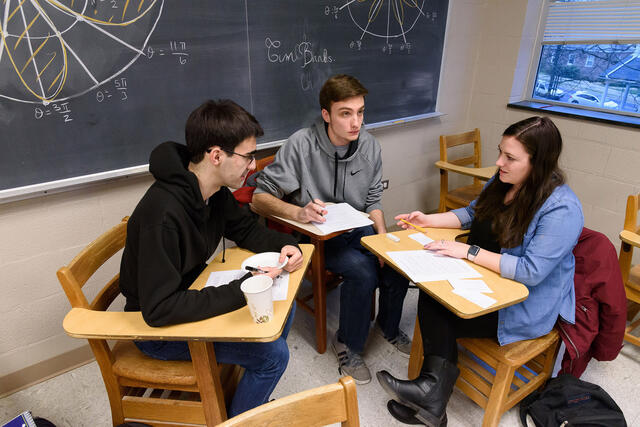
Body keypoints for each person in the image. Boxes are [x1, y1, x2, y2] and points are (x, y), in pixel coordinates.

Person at [376, 116, 584, 426]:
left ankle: (431, 394)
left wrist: (468, 252)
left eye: (510, 157)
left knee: (441, 308)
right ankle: (432, 397)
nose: (499, 162)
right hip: (485, 276)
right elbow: (472, 213)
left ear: (538, 162)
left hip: (520, 303)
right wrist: (429, 220)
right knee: (433, 293)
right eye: (501, 152)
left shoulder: (562, 208)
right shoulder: (503, 179)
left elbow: (530, 271)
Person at [118, 99, 304, 417]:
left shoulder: (213, 190)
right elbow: (158, 311)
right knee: (273, 355)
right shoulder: (162, 214)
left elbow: (245, 229)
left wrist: (287, 244)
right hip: (157, 332)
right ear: (216, 155)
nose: (253, 166)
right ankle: (238, 420)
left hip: (192, 293)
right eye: (247, 157)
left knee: (285, 307)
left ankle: (246, 395)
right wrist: (243, 288)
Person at [252, 74, 410, 384]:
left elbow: (373, 200)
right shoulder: (301, 144)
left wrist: (381, 238)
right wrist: (300, 211)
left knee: (395, 262)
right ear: (326, 115)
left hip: (357, 229)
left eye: (361, 112)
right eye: (346, 113)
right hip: (317, 237)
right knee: (363, 272)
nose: (356, 122)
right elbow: (259, 198)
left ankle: (388, 327)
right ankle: (348, 344)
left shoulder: (370, 145)